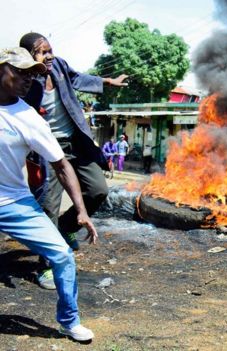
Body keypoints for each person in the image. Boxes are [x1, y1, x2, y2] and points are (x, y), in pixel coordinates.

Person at [0, 47, 98, 341]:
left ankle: (70, 321)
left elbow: (61, 164)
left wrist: (80, 209)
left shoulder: (28, 118)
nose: (28, 79)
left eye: (32, 74)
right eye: (20, 71)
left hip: (14, 203)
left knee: (62, 254)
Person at [20, 33, 126, 290]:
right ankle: (45, 265)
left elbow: (78, 78)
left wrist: (108, 81)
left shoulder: (58, 66)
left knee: (98, 190)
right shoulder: (24, 81)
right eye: (42, 52)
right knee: (48, 205)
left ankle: (67, 227)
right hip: (46, 148)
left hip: (76, 142)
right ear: (27, 57)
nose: (49, 56)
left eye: (50, 50)